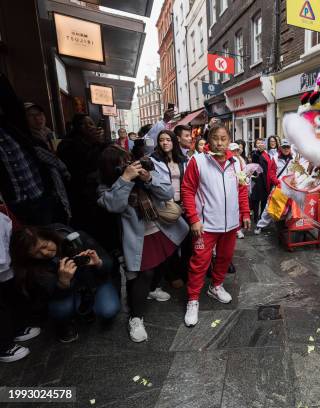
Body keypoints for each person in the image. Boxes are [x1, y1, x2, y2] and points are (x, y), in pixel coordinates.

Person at [97, 145, 188, 342]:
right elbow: (115, 205)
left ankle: (153, 289)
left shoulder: (143, 176)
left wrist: (148, 178)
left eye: (128, 160)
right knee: (142, 274)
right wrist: (125, 179)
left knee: (164, 260)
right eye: (121, 164)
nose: (128, 166)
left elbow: (167, 193)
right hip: (135, 238)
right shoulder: (105, 187)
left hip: (160, 229)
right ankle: (135, 317)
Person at [181, 124, 250, 327]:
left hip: (230, 224)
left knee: (225, 258)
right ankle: (193, 299)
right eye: (215, 138)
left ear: (229, 141)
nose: (219, 142)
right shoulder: (198, 161)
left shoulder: (236, 162)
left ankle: (216, 286)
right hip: (206, 225)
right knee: (199, 262)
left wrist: (245, 212)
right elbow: (187, 190)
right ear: (208, 140)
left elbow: (242, 189)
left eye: (223, 138)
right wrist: (193, 218)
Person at [9, 225, 119, 343]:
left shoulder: (76, 238)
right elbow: (45, 297)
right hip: (67, 294)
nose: (45, 253)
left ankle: (87, 307)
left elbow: (108, 264)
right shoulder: (34, 269)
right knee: (61, 309)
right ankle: (64, 323)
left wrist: (99, 263)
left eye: (45, 246)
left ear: (50, 237)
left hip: (94, 284)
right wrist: (62, 282)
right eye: (37, 253)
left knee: (108, 310)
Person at [0, 74, 70, 226]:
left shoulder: (15, 129)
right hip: (17, 205)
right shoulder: (25, 133)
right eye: (32, 116)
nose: (37, 119)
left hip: (43, 197)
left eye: (39, 114)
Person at [57, 114, 111, 245]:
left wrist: (101, 142)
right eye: (83, 124)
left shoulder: (98, 143)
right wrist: (92, 143)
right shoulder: (67, 144)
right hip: (80, 196)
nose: (88, 127)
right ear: (75, 127)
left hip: (98, 192)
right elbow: (79, 169)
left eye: (91, 123)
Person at [150, 130, 189, 292]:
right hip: (166, 206)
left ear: (174, 142)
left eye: (168, 140)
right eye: (161, 140)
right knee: (171, 241)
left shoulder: (183, 160)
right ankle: (172, 275)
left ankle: (185, 271)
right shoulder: (153, 161)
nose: (165, 143)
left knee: (187, 240)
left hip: (184, 204)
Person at [0, 213, 40, 362]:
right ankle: (4, 347)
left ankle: (17, 328)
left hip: (6, 271)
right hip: (4, 268)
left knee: (11, 299)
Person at [254, 140, 305, 234]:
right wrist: (277, 182)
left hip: (291, 187)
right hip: (279, 186)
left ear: (290, 148)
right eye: (284, 147)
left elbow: (297, 171)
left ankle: (287, 224)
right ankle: (260, 225)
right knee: (269, 206)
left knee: (290, 207)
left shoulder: (294, 158)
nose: (286, 149)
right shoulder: (275, 158)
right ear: (280, 147)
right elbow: (271, 173)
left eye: (288, 147)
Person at [251, 138, 275, 223]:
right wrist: (259, 151)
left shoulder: (266, 154)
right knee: (256, 200)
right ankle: (255, 217)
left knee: (264, 199)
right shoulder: (254, 153)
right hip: (258, 180)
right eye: (258, 143)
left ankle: (261, 217)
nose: (260, 144)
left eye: (261, 143)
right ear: (255, 145)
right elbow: (254, 162)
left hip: (266, 179)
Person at [230, 142, 248, 239]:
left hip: (237, 191)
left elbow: (242, 177)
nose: (235, 152)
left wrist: (245, 178)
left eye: (236, 150)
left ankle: (237, 228)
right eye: (233, 150)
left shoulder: (239, 161)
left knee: (237, 211)